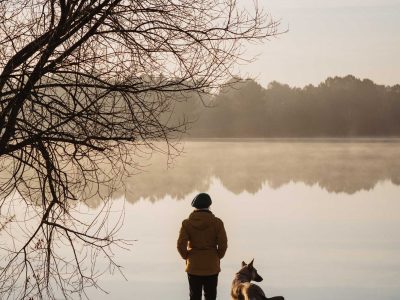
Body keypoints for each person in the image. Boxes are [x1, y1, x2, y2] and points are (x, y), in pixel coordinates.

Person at [177, 193, 228, 300]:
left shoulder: (187, 223)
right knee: (210, 296)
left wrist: (186, 256)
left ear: (194, 207)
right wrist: (217, 256)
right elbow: (223, 244)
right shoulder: (217, 223)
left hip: (193, 265)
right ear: (209, 205)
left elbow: (181, 244)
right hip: (212, 265)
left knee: (194, 296)